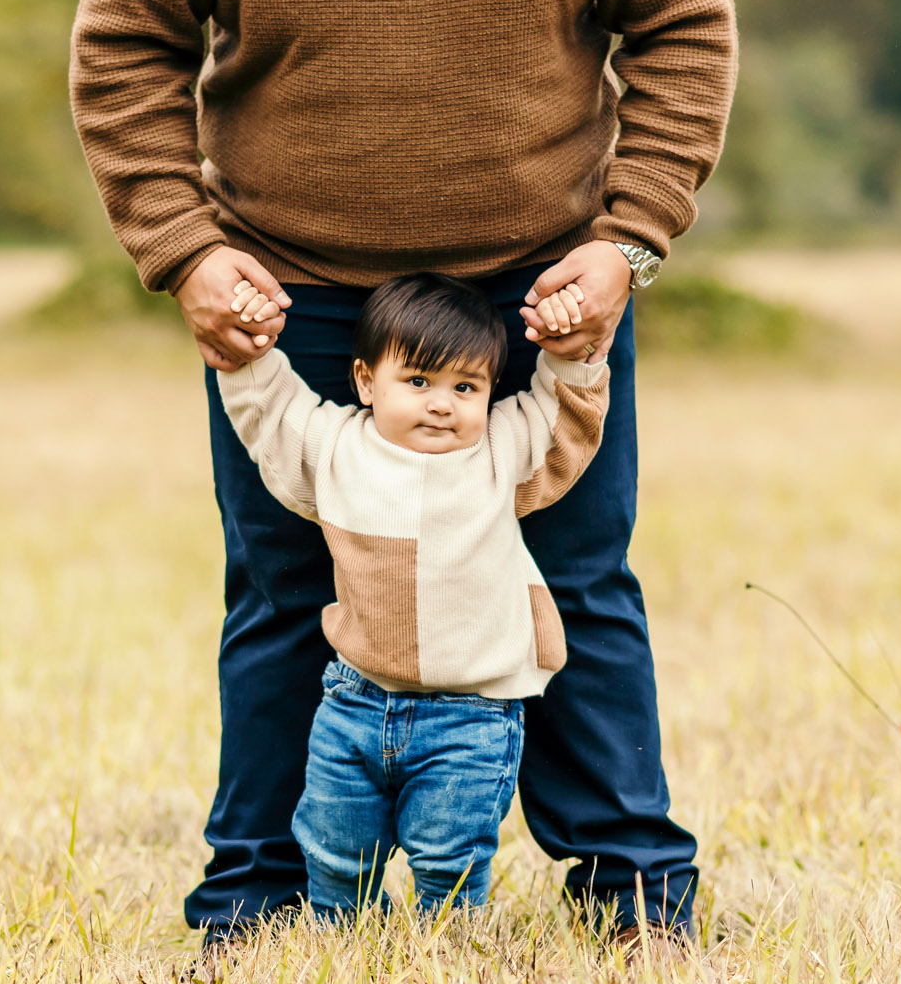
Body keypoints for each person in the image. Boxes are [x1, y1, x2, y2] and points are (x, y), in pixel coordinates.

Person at [69, 0, 738, 948]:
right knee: (289, 589)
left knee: (574, 582)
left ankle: (634, 896)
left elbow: (684, 28)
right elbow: (125, 39)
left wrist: (629, 238)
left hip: (545, 284)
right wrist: (180, 244)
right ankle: (261, 901)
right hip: (285, 281)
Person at [216, 272, 607, 917]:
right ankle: (345, 953)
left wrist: (571, 354)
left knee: (450, 857)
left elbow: (561, 418)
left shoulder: (498, 451)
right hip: (355, 702)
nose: (442, 404)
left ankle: (446, 960)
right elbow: (271, 414)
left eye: (466, 387)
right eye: (418, 382)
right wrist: (249, 348)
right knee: (334, 850)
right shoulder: (335, 446)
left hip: (473, 715)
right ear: (367, 382)